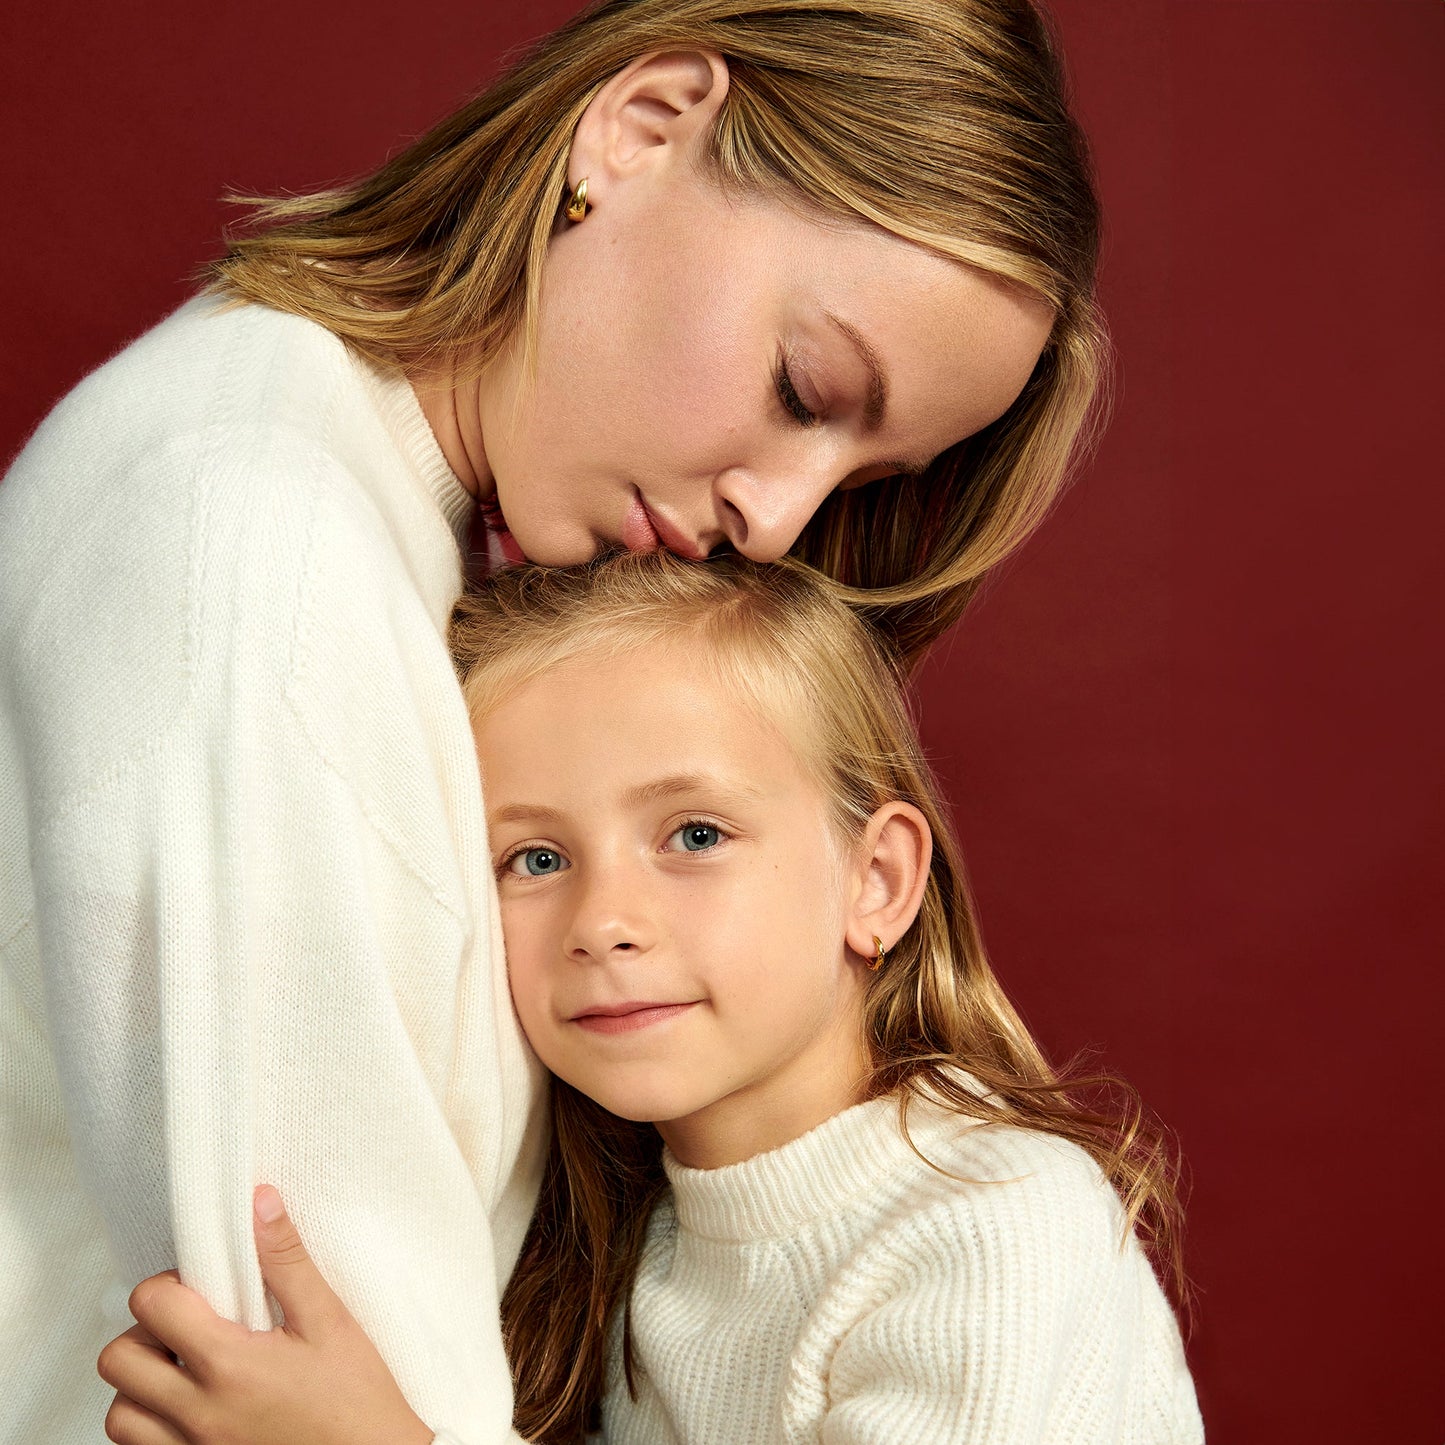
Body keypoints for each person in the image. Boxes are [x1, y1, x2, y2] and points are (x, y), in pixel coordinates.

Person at [0, 1, 1103, 1440]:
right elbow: (286, 1378)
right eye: (803, 388)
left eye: (854, 474)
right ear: (639, 131)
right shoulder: (259, 553)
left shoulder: (336, 482)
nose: (773, 519)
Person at [98, 551, 1204, 1445]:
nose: (601, 918)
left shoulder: (989, 1227)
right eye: (532, 857)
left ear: (873, 881)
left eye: (694, 834)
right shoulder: (633, 1237)